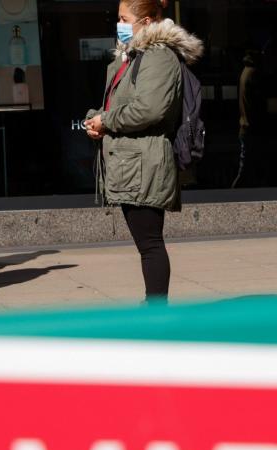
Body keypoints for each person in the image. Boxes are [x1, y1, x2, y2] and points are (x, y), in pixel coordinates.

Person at [84, 0, 203, 303]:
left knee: (150, 243)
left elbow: (150, 110)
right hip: (132, 161)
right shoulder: (133, 56)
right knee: (147, 242)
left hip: (144, 163)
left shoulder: (158, 57)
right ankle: (154, 308)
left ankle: (156, 311)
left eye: (124, 19)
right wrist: (97, 118)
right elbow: (121, 103)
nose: (118, 24)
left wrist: (106, 120)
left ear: (147, 21)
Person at [232, 49, 268, 189]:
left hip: (246, 127)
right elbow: (258, 103)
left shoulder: (245, 71)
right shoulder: (253, 73)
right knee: (245, 172)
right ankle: (231, 199)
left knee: (248, 171)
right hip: (250, 129)